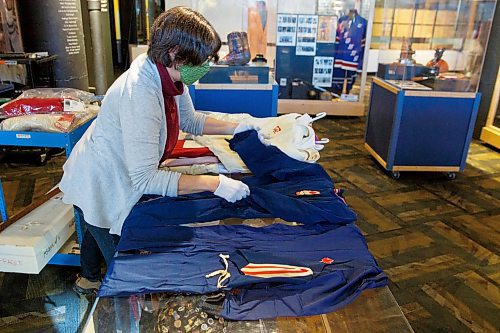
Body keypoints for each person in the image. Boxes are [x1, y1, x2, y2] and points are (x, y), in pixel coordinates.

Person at [59, 7, 262, 294]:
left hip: (109, 170)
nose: (204, 67)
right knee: (118, 255)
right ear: (175, 52)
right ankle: (112, 298)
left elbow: (191, 120)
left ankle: (88, 278)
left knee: (94, 221)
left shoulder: (170, 76)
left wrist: (239, 126)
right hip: (99, 175)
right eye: (200, 61)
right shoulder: (141, 91)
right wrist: (214, 184)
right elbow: (144, 179)